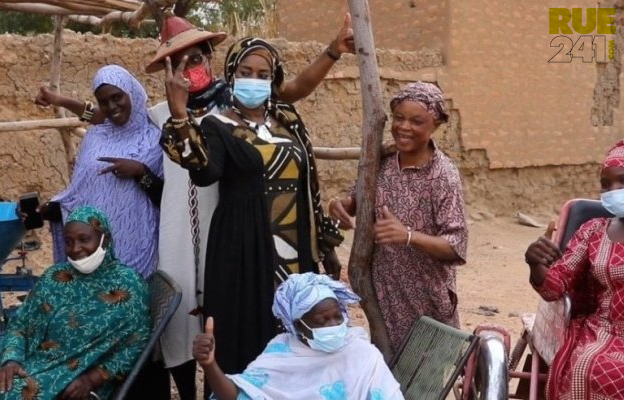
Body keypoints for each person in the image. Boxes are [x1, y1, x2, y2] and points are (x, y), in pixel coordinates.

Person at [35, 13, 354, 399]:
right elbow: (106, 114)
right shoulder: (159, 113)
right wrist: (61, 102)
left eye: (196, 58)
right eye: (179, 62)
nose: (190, 68)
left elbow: (291, 90)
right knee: (182, 321)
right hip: (179, 234)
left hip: (232, 229)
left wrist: (333, 51)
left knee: (241, 315)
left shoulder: (234, 103)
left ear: (210, 57)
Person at [161, 37, 345, 376]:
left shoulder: (288, 119)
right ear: (232, 74)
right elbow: (204, 173)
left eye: (263, 75)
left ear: (273, 79)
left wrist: (325, 245)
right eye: (246, 72)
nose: (254, 80)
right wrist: (179, 113)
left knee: (299, 331)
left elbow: (309, 184)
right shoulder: (218, 125)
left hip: (295, 250)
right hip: (243, 250)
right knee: (248, 335)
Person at [329, 82, 468, 354]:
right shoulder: (381, 161)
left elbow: (456, 246)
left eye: (417, 121)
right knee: (384, 363)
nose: (404, 127)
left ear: (436, 124)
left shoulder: (442, 176)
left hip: (426, 298)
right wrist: (340, 205)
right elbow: (357, 200)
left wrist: (407, 236)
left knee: (424, 371)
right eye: (399, 118)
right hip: (383, 293)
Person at [0, 206, 150, 400]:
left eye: (84, 239)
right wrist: (11, 359)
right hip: (30, 363)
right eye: (69, 242)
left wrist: (92, 380)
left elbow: (136, 343)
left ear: (105, 239)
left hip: (71, 382)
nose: (75, 249)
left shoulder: (129, 286)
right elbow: (21, 323)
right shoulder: (55, 277)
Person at [38, 65, 163, 279]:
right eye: (103, 102)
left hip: (136, 247)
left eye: (117, 97)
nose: (112, 107)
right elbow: (81, 193)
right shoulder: (96, 136)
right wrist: (49, 210)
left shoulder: (155, 137)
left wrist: (140, 172)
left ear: (131, 92)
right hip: (91, 251)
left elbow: (167, 198)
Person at [193, 272, 404, 400]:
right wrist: (210, 365)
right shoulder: (281, 352)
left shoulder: (362, 354)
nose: (332, 326)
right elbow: (239, 395)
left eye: (337, 317)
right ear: (298, 326)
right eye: (321, 321)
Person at [524, 140, 624, 399]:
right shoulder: (593, 232)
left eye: (622, 182)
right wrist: (535, 263)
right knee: (594, 369)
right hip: (605, 333)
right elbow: (554, 287)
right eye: (606, 184)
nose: (613, 191)